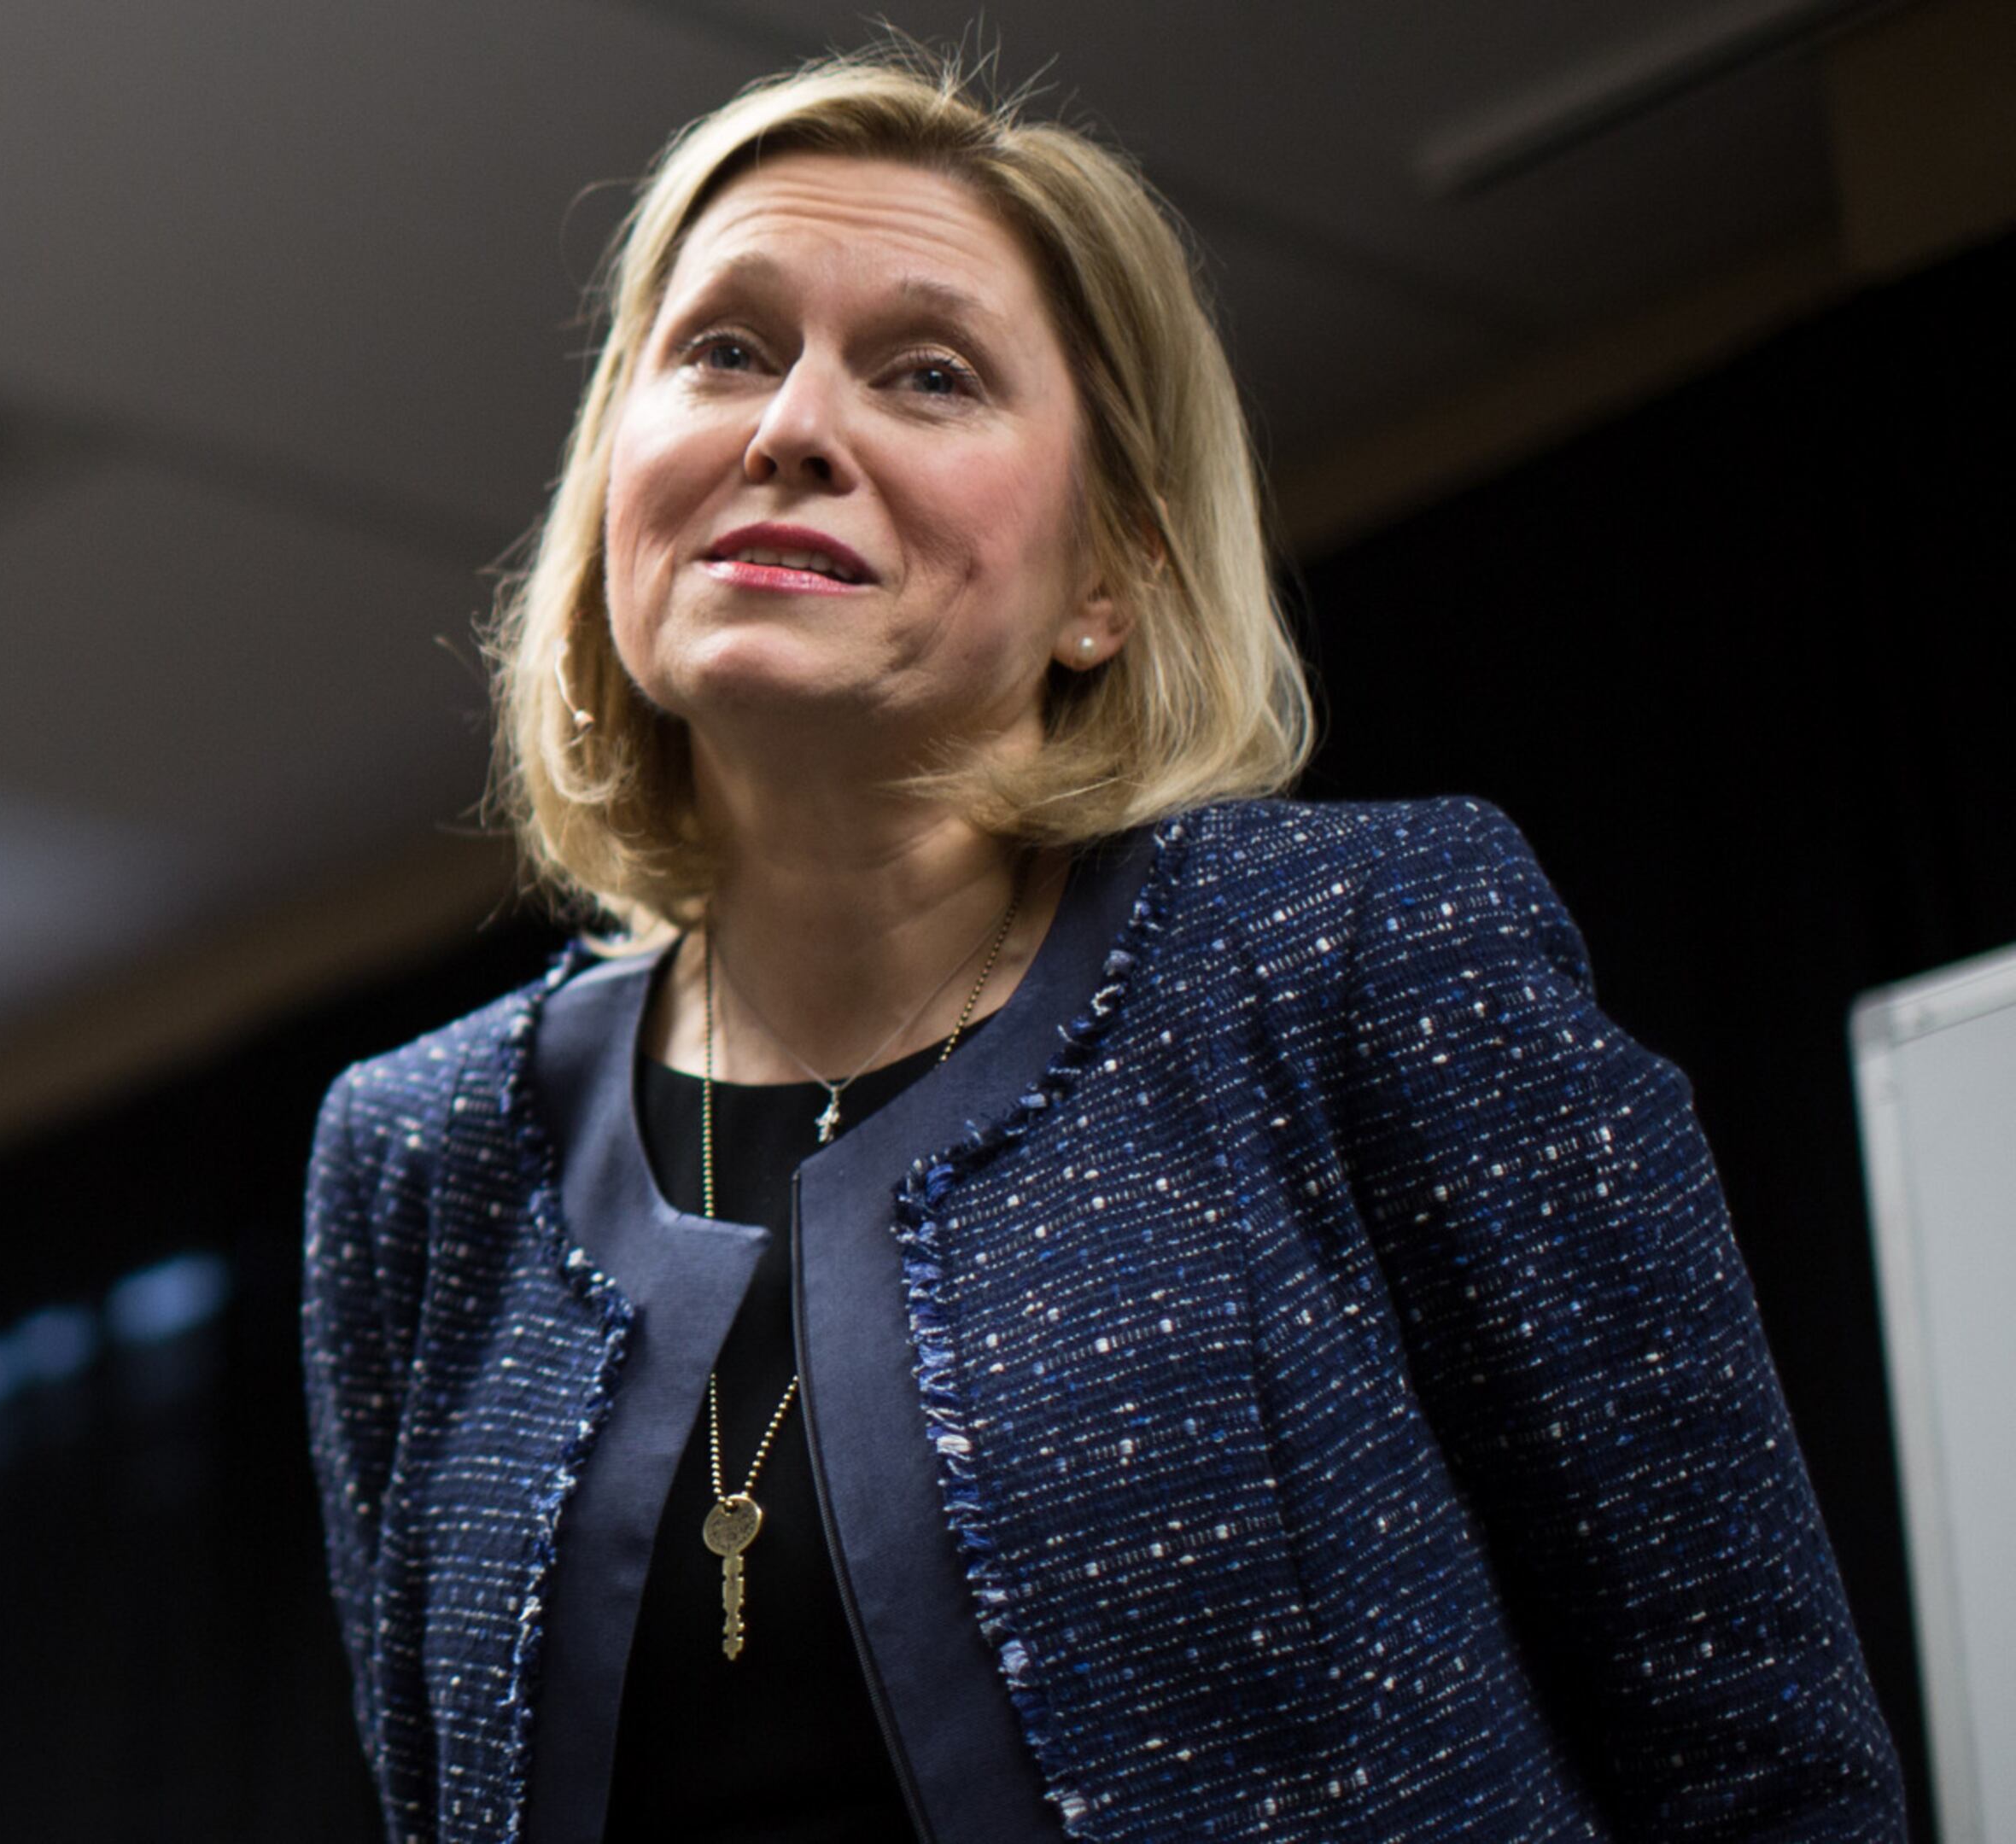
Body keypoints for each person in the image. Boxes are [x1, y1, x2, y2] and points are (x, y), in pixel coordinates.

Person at [297, 41, 1906, 1844]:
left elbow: (1760, 1765)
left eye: (926, 373)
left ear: (1106, 579)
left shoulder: (1354, 956)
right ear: (619, 486)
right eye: (725, 348)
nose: (789, 429)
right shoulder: (422, 1159)